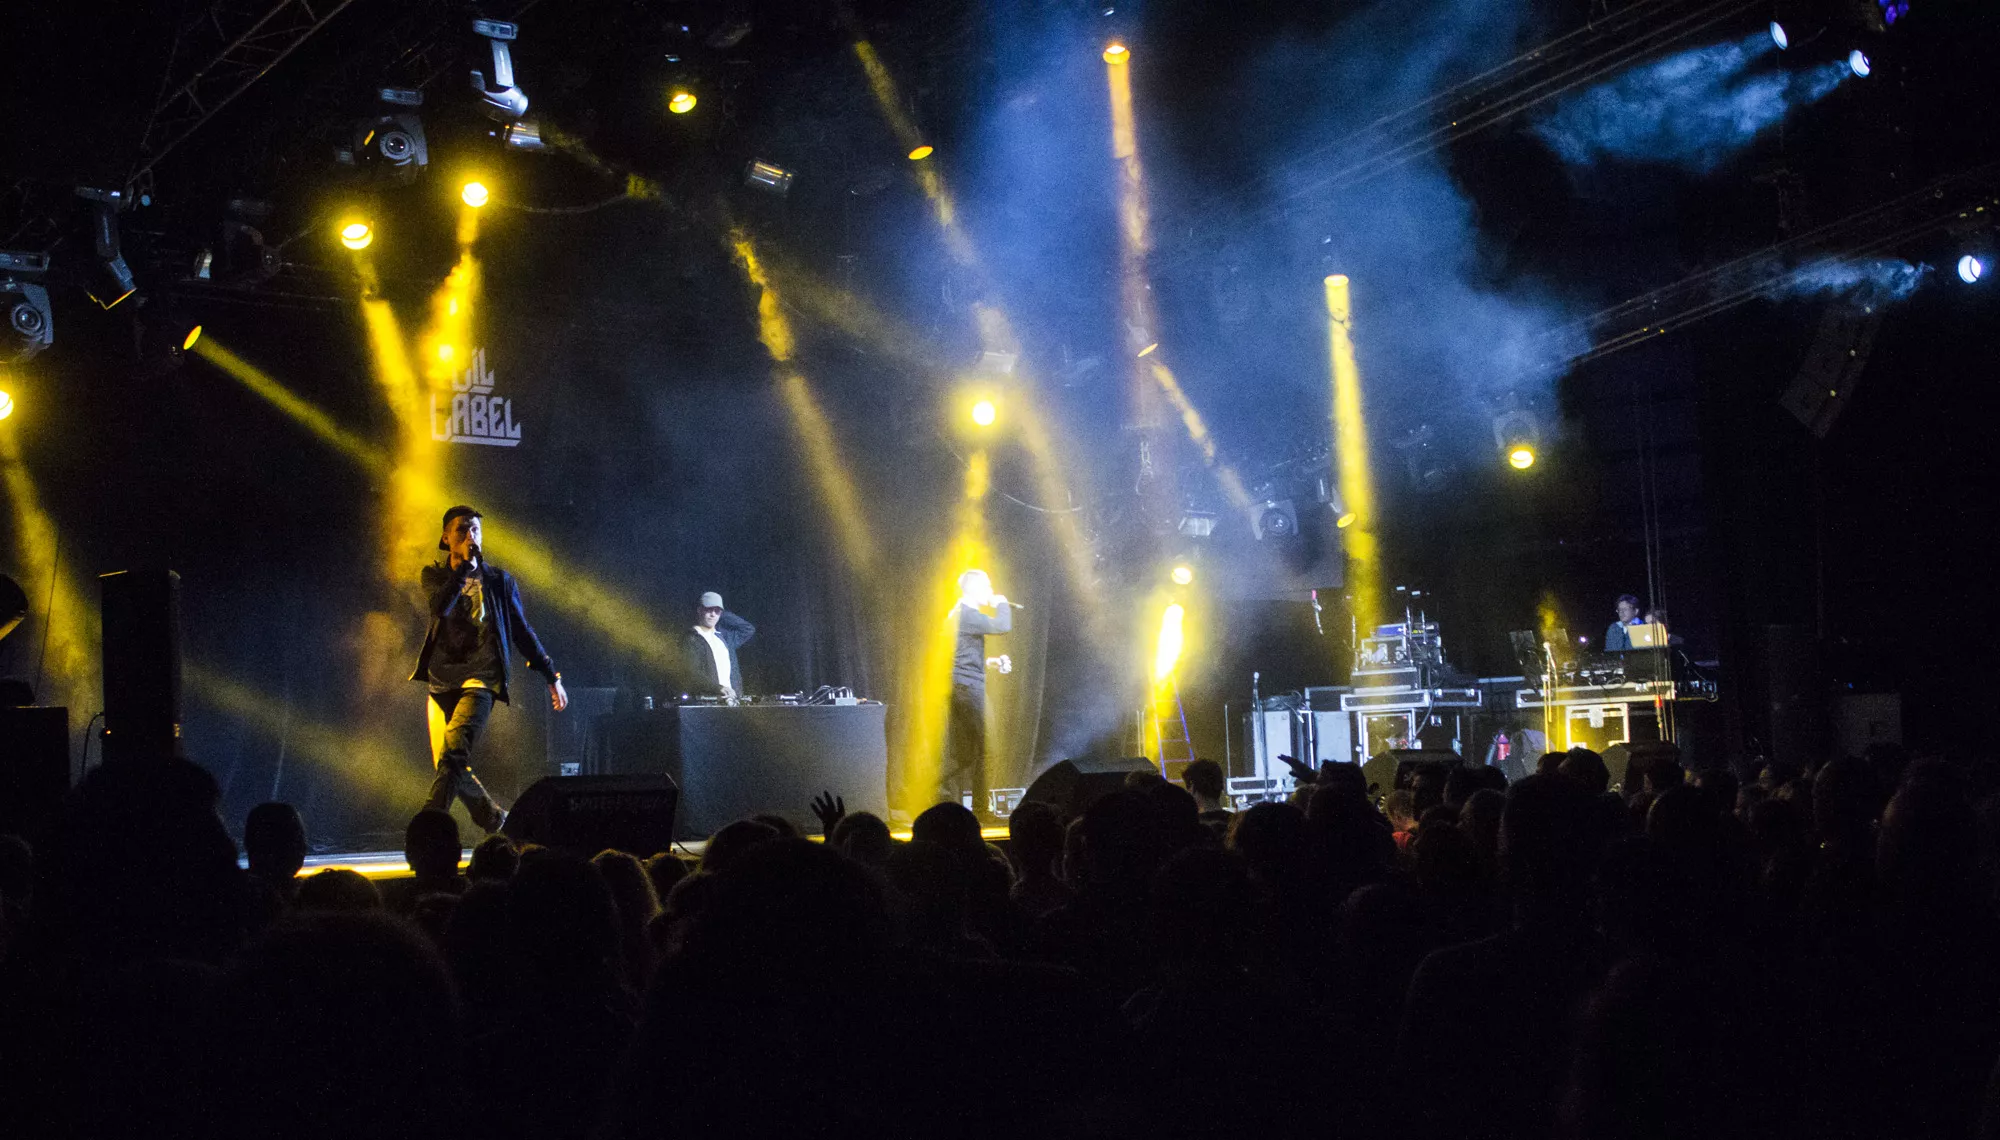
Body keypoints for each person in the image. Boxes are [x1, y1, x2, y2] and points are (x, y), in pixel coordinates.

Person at [411, 505, 568, 834]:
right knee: (448, 764)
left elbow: (522, 631)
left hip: (480, 678)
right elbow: (440, 607)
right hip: (441, 682)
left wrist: (551, 675)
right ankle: (498, 821)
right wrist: (462, 571)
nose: (471, 535)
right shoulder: (434, 576)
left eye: (476, 530)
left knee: (454, 754)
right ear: (446, 538)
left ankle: (429, 827)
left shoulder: (499, 581)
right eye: (463, 529)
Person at [942, 568, 1014, 816]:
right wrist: (1001, 603)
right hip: (968, 686)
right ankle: (982, 810)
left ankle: (935, 796)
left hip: (962, 684)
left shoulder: (959, 615)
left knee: (963, 754)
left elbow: (958, 656)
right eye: (988, 587)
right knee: (988, 747)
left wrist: (990, 662)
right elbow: (1002, 625)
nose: (991, 591)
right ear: (974, 589)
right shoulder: (967, 614)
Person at [681, 591, 755, 699]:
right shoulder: (692, 639)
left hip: (733, 699)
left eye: (717, 611)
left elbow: (748, 629)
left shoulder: (724, 637)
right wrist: (718, 688)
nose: (713, 614)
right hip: (710, 700)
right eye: (709, 609)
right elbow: (692, 673)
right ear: (699, 610)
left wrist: (722, 614)